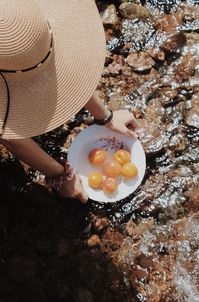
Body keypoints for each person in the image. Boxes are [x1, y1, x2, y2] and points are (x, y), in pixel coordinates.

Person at [0, 0, 138, 204]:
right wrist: (60, 175)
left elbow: (61, 67)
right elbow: (9, 135)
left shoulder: (17, 16)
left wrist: (105, 116)